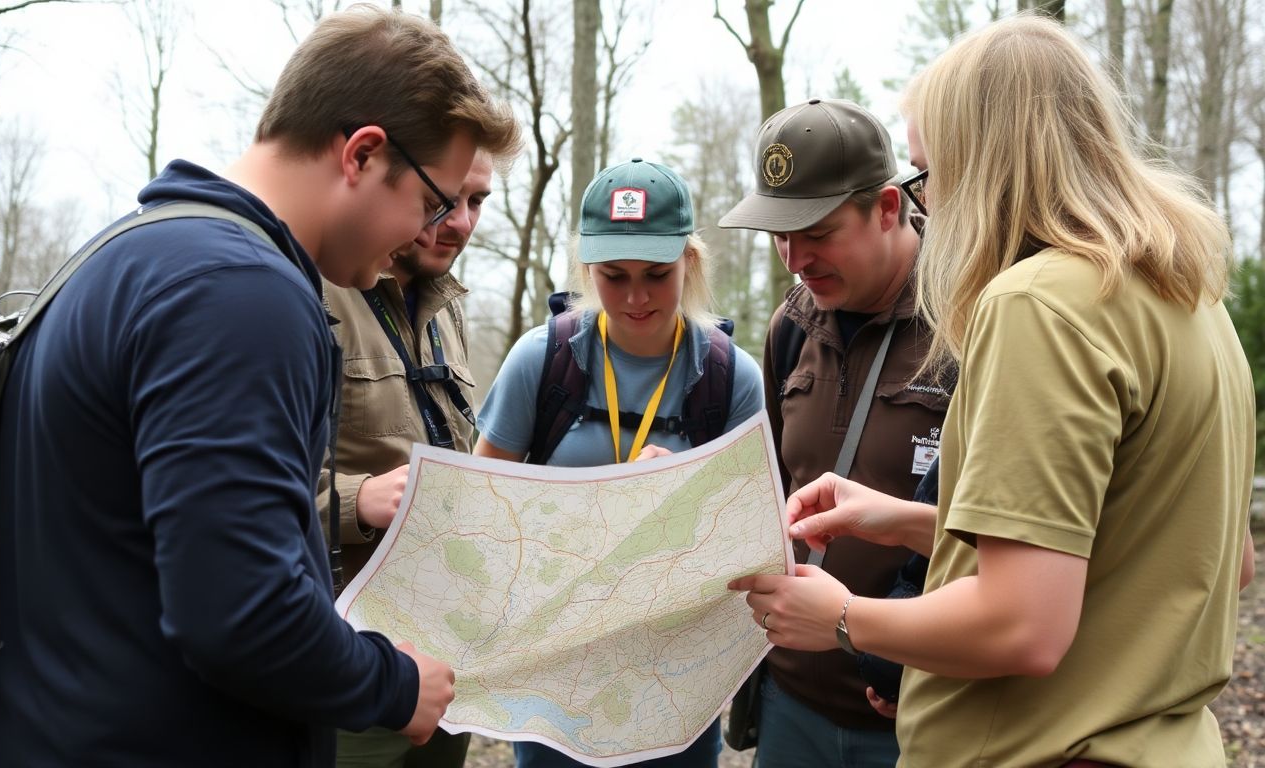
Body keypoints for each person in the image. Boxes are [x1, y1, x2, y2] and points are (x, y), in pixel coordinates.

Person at [0, 7, 522, 767]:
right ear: (363, 154)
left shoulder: (132, 254)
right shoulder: (240, 295)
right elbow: (241, 612)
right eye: (431, 201)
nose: (428, 229)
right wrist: (395, 686)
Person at [731, 14, 1257, 768]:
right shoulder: (1187, 296)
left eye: (928, 174)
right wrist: (914, 522)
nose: (929, 204)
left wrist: (844, 617)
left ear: (985, 165)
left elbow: (1024, 626)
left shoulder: (1037, 304)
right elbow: (1213, 559)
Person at [474, 157, 765, 767]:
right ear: (586, 268)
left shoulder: (731, 377)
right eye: (613, 275)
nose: (636, 297)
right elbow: (483, 510)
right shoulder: (543, 359)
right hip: (555, 681)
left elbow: (750, 550)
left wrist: (685, 497)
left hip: (672, 689)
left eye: (657, 274)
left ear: (690, 262)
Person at [715, 98, 950, 768]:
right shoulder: (792, 328)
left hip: (920, 708)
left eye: (815, 230)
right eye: (778, 235)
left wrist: (900, 660)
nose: (794, 259)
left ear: (885, 207)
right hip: (793, 703)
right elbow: (772, 489)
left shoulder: (970, 324)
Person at [320, 151, 496, 768]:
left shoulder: (447, 306)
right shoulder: (316, 290)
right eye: (447, 200)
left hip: (447, 665)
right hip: (350, 669)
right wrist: (355, 501)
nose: (462, 223)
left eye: (479, 202)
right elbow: (233, 500)